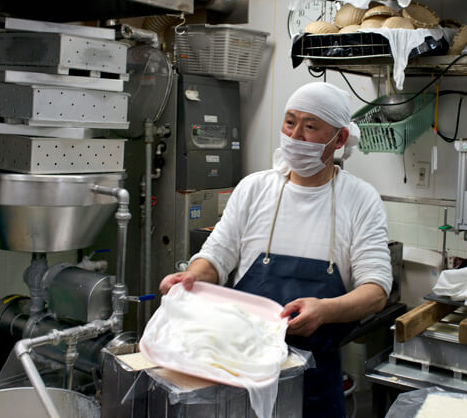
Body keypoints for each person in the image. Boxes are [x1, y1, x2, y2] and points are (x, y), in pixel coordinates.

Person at [159, 81, 392, 418]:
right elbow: (217, 256)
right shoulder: (255, 188)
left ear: (338, 139)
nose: (295, 135)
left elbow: (376, 291)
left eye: (310, 126)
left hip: (314, 383)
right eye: (289, 122)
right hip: (240, 368)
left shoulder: (360, 199)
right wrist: (191, 277)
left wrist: (324, 310)